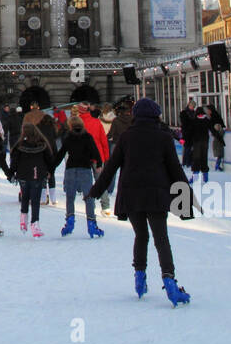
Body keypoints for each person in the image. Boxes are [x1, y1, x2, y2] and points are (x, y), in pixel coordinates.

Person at [90, 97, 193, 305]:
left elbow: (111, 167)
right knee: (161, 239)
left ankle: (140, 279)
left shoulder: (127, 137)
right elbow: (175, 169)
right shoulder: (163, 137)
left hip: (132, 195)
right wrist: (186, 199)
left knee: (141, 236)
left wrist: (96, 190)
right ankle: (170, 281)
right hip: (156, 195)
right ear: (156, 116)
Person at [54, 116, 103, 237]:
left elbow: (61, 154)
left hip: (71, 169)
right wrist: (99, 163)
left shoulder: (68, 138)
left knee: (70, 197)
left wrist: (52, 166)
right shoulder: (88, 137)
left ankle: (69, 221)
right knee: (88, 197)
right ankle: (91, 223)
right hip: (85, 168)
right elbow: (95, 152)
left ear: (70, 126)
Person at [9, 122, 55, 237]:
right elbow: (49, 160)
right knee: (35, 200)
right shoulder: (42, 145)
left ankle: (23, 219)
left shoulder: (19, 146)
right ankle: (35, 224)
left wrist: (12, 172)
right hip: (37, 174)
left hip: (23, 175)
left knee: (25, 197)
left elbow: (14, 161)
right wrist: (50, 171)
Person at [101, 98, 133, 213]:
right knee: (128, 167)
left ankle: (110, 189)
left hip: (117, 144)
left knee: (112, 167)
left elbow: (111, 134)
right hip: (129, 145)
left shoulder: (116, 121)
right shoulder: (132, 120)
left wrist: (105, 139)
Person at [188, 105, 212, 185]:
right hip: (205, 142)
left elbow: (190, 132)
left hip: (197, 142)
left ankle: (195, 176)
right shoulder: (207, 120)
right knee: (204, 158)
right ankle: (205, 176)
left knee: (196, 159)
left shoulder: (194, 120)